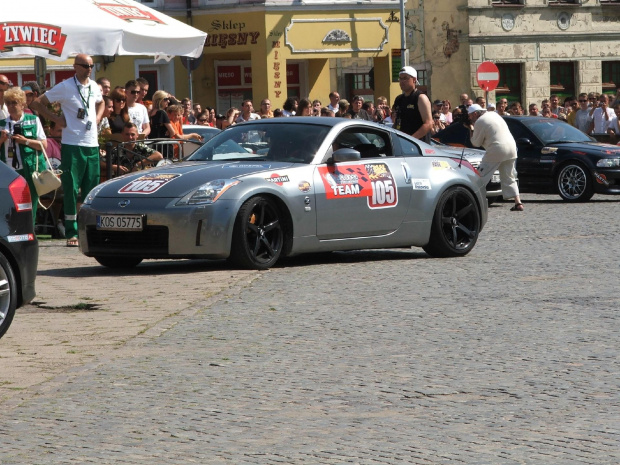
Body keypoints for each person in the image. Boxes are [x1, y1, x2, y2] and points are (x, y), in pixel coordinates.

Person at [30, 54, 104, 247]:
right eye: (85, 65)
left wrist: (97, 118)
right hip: (72, 144)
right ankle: (71, 232)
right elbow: (37, 103)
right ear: (75, 67)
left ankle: (88, 229)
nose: (89, 68)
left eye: (91, 65)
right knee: (71, 188)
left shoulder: (94, 86)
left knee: (91, 189)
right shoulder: (65, 86)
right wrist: (56, 119)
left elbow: (102, 102)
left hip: (92, 144)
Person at [0, 87, 48, 223]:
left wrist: (24, 141)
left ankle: (29, 232)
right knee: (9, 204)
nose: (11, 106)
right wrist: (2, 139)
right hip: (8, 171)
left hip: (29, 168)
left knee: (29, 202)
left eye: (14, 102)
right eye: (8, 103)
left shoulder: (33, 120)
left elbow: (43, 145)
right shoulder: (2, 123)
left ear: (22, 104)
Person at [468, 104, 523, 211]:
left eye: (470, 116)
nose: (470, 118)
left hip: (497, 149)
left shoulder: (480, 121)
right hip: (511, 147)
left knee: (480, 176)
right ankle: (518, 202)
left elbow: (476, 143)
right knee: (509, 176)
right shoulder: (494, 114)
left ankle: (471, 202)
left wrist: (471, 129)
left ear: (475, 113)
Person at [392, 66, 432, 141]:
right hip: (402, 146)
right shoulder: (399, 99)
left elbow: (428, 124)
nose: (402, 81)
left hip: (418, 146)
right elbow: (396, 122)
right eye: (400, 78)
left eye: (405, 78)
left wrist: (410, 140)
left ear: (414, 79)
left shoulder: (420, 98)